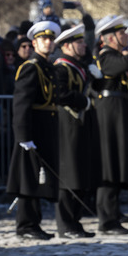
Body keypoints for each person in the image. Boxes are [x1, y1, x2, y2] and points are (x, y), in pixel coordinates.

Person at [6, 20, 65, 240]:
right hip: (32, 128)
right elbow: (21, 103)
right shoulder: (30, 67)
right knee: (28, 178)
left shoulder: (47, 66)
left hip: (46, 125)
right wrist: (24, 136)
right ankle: (25, 225)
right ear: (34, 42)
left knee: (39, 179)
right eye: (43, 39)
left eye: (50, 39)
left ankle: (34, 223)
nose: (48, 43)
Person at [91, 15, 128, 235]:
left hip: (119, 112)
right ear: (110, 38)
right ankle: (107, 220)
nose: (126, 36)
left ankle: (114, 216)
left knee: (117, 165)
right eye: (122, 33)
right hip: (107, 114)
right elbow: (116, 67)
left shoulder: (117, 54)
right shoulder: (105, 56)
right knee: (108, 166)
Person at [52, 24, 100, 238]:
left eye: (82, 41)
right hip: (67, 124)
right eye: (79, 43)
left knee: (81, 172)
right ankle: (65, 224)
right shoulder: (61, 67)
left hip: (81, 124)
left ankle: (75, 220)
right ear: (67, 46)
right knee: (69, 173)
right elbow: (60, 94)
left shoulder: (78, 65)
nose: (83, 45)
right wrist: (83, 101)